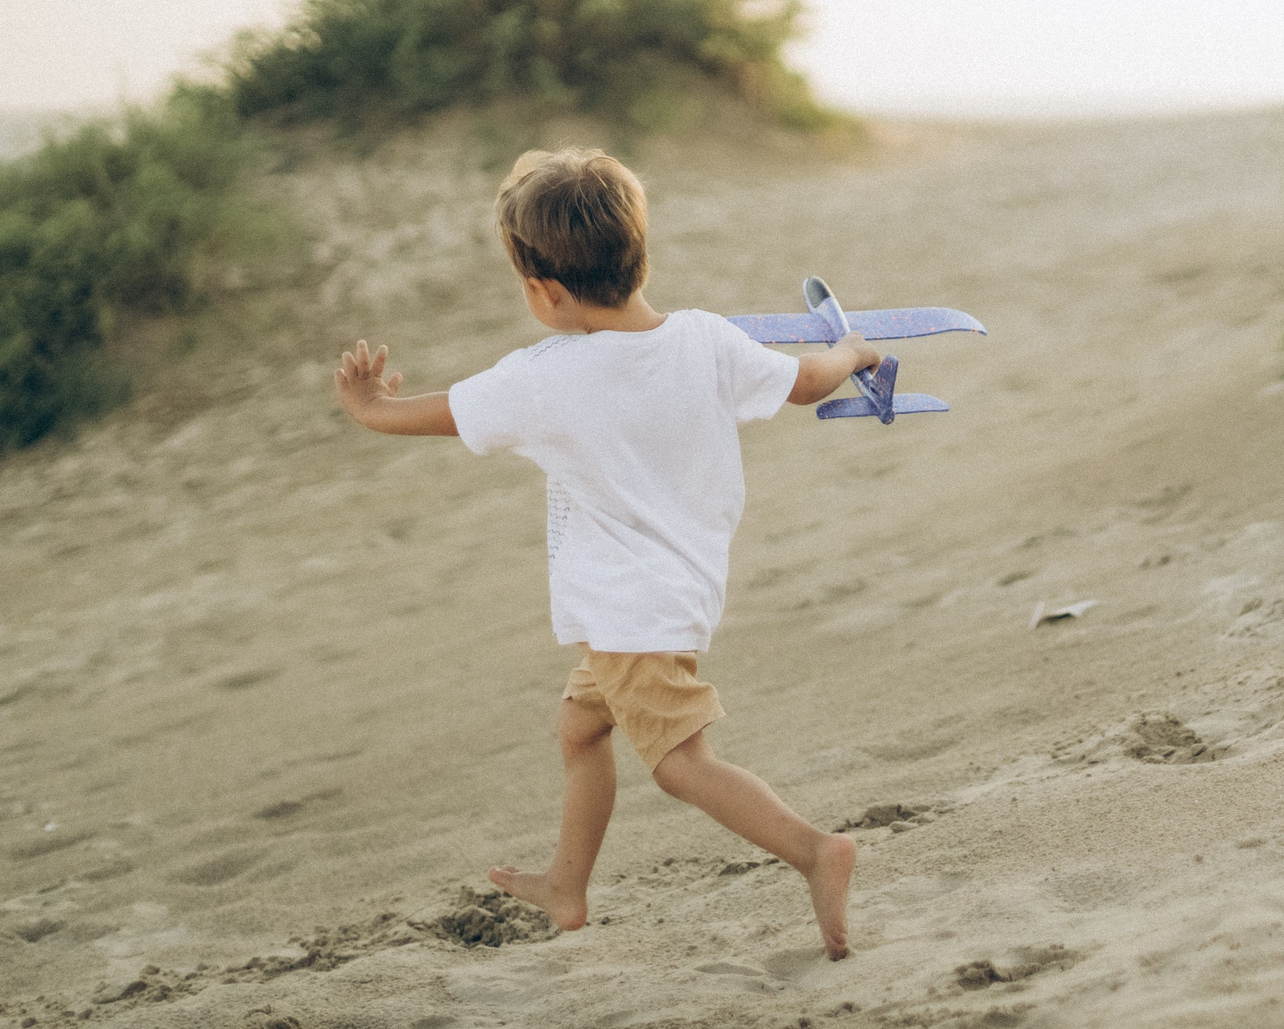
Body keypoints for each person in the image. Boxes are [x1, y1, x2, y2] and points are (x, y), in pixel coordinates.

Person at [330, 147, 880, 958]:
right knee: (579, 729)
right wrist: (854, 354)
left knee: (681, 764)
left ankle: (814, 850)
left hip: (632, 607)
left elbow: (427, 415)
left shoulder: (544, 376)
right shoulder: (705, 338)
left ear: (545, 292)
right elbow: (803, 383)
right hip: (661, 594)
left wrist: (369, 404)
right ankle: (568, 885)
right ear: (640, 255)